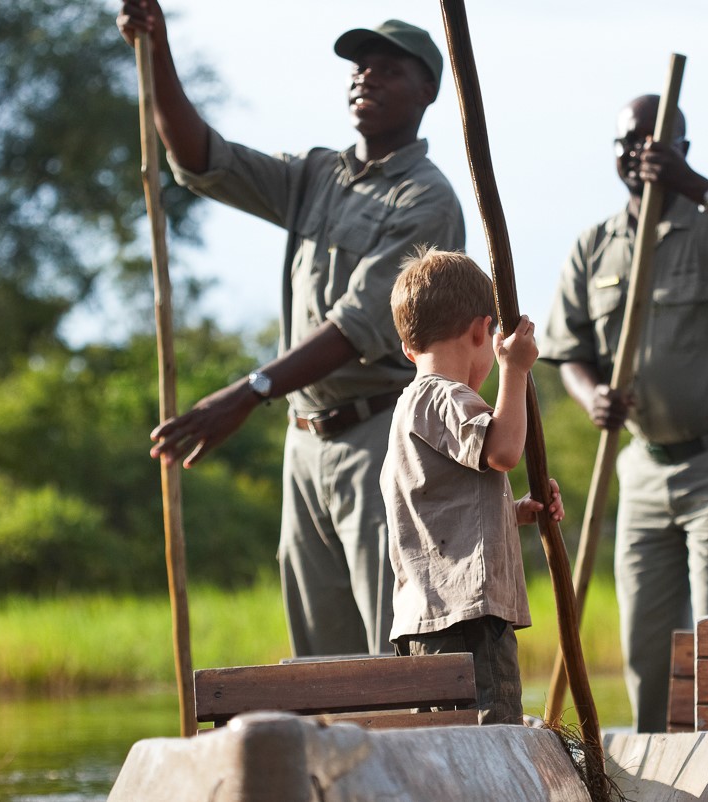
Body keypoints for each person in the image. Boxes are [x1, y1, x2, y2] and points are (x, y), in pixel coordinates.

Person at [119, 2, 465, 657]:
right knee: (322, 657)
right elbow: (201, 157)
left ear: (427, 91)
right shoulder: (315, 175)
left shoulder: (426, 198)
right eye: (360, 68)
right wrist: (158, 50)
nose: (367, 78)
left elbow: (356, 326)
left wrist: (250, 390)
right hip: (305, 441)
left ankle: (411, 757)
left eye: (388, 70)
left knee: (396, 649)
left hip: (378, 437)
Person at [540, 93, 708, 732]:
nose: (639, 151)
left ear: (682, 149)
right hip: (642, 468)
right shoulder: (594, 244)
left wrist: (694, 187)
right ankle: (652, 771)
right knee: (645, 643)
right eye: (627, 140)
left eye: (656, 140)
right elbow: (569, 351)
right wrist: (590, 394)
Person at [381, 247, 563, 724]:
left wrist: (517, 509)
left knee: (445, 749)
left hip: (431, 618)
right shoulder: (445, 396)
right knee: (490, 746)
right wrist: (515, 370)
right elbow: (503, 451)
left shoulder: (411, 406)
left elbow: (448, 504)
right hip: (467, 621)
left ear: (407, 346)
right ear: (483, 331)